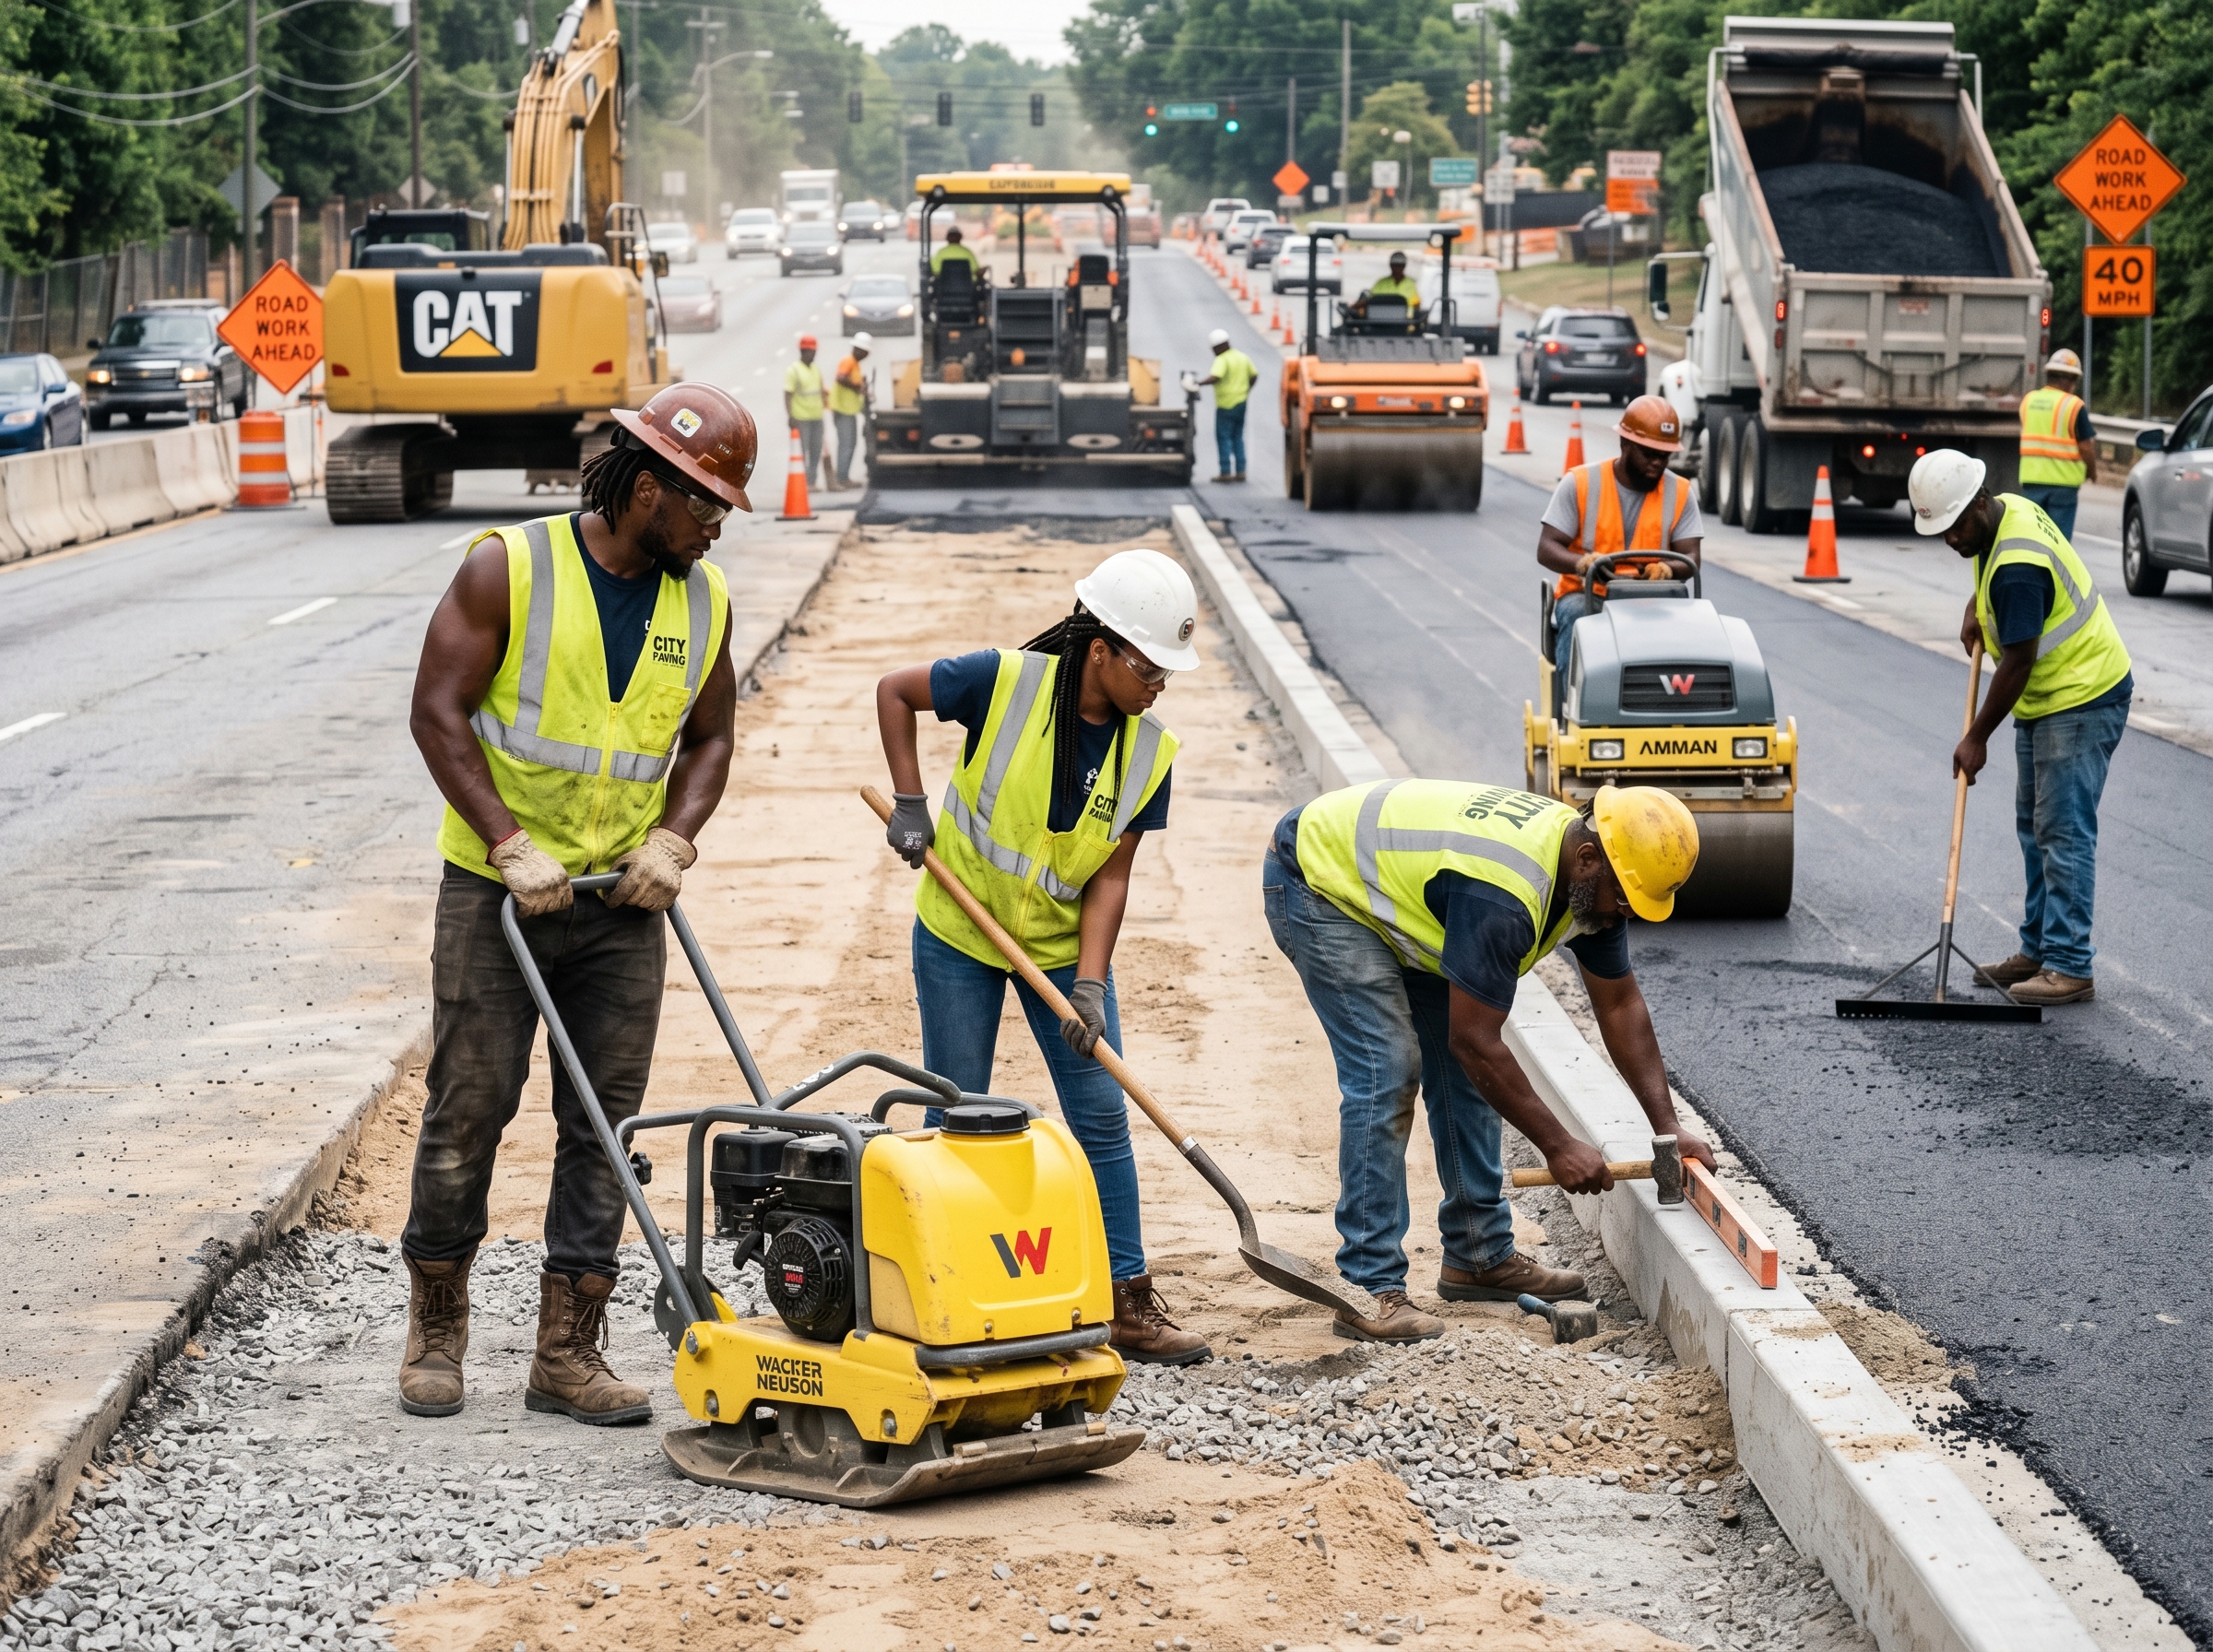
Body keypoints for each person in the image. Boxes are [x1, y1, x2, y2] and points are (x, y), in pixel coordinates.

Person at [400, 384, 755, 1422]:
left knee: (605, 1123)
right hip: (498, 895)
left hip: (621, 905)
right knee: (469, 1107)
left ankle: (567, 1350)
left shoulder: (704, 599)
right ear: (649, 491)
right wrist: (508, 844)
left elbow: (711, 740)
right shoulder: (508, 568)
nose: (716, 526)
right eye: (706, 505)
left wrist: (675, 839)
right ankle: (437, 1321)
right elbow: (438, 712)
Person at [876, 550, 1210, 1365]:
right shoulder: (1001, 682)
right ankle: (942, 1293)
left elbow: (1111, 878)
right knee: (956, 1111)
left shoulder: (1149, 755)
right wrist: (911, 801)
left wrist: (1090, 984)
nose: (1159, 686)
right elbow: (894, 691)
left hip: (1062, 952)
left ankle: (1126, 1297)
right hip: (960, 932)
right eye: (1149, 667)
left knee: (1101, 1116)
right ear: (1100, 650)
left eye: (1168, 671)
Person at [1263, 781, 1718, 1342]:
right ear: (1586, 860)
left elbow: (1620, 1006)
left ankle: (1478, 1256)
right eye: (1624, 899)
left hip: (1409, 897)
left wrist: (1668, 1127)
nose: (1626, 914)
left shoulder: (1593, 885)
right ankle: (1368, 1285)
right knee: (1388, 1070)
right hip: (1320, 883)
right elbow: (1475, 1041)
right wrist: (1558, 1145)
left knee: (1468, 1075)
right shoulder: (1505, 894)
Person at [1909, 449, 2134, 1007]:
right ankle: (2038, 950)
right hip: (2048, 699)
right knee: (2034, 826)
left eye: (1955, 528)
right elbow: (1997, 581)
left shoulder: (2017, 569)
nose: (1951, 540)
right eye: (1941, 532)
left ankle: (2070, 964)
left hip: (2082, 696)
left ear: (1978, 503)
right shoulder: (2003, 513)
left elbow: (2018, 660)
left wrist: (1976, 738)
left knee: (2062, 830)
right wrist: (1976, 605)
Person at [1536, 395, 1700, 687]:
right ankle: (1575, 703)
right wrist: (1584, 564)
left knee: (1687, 626)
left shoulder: (1681, 493)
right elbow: (1547, 548)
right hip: (1589, 594)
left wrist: (1667, 570)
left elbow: (1691, 557)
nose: (1657, 462)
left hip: (1653, 598)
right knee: (1578, 617)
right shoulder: (1580, 483)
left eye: (1664, 455)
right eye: (1648, 453)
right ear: (1625, 443)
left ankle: (1664, 702)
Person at [2017, 348, 2099, 538]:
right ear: (2068, 380)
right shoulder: (2074, 405)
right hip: (2063, 487)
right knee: (2058, 542)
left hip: (2031, 483)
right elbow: (2086, 446)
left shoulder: (2029, 401)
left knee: (2032, 538)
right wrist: (2092, 472)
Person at [1201, 328, 1256, 484]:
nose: (1213, 352)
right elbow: (1254, 375)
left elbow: (1215, 377)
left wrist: (1199, 383)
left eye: (1214, 349)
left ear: (1219, 346)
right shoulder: (1242, 357)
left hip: (1225, 405)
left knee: (1223, 437)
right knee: (1238, 436)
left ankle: (1225, 471)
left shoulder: (1222, 359)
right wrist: (1246, 390)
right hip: (1241, 403)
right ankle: (1241, 471)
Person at [784, 334, 830, 494]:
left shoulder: (816, 369)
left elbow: (821, 391)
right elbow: (788, 395)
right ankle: (802, 482)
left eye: (814, 351)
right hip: (801, 418)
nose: (813, 354)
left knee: (816, 451)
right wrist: (791, 416)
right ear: (803, 351)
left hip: (817, 417)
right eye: (810, 351)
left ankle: (812, 481)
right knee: (802, 452)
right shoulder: (794, 370)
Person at [830, 332, 870, 491]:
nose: (866, 355)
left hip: (848, 410)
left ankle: (843, 476)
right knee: (847, 444)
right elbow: (841, 378)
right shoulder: (848, 361)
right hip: (843, 410)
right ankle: (842, 478)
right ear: (859, 349)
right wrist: (858, 386)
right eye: (865, 352)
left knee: (850, 443)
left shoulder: (855, 364)